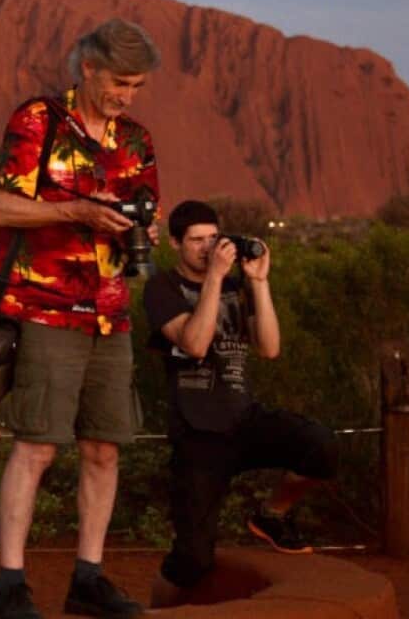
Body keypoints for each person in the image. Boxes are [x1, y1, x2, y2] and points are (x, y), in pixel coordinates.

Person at [0, 18, 161, 619]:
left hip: (111, 312)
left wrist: (137, 222)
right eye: (119, 83)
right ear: (88, 68)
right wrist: (78, 210)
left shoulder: (135, 139)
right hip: (47, 307)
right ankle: (10, 586)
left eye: (136, 86)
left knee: (104, 448)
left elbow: (147, 209)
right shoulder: (40, 121)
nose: (127, 96)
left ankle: (88, 578)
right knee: (37, 446)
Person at [144, 200, 338, 606]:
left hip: (244, 419)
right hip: (198, 436)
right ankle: (158, 606)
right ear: (175, 243)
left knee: (321, 446)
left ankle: (272, 515)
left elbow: (269, 348)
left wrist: (259, 283)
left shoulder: (237, 287)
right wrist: (215, 278)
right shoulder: (162, 288)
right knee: (193, 560)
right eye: (196, 240)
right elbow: (195, 344)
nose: (207, 248)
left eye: (213, 238)